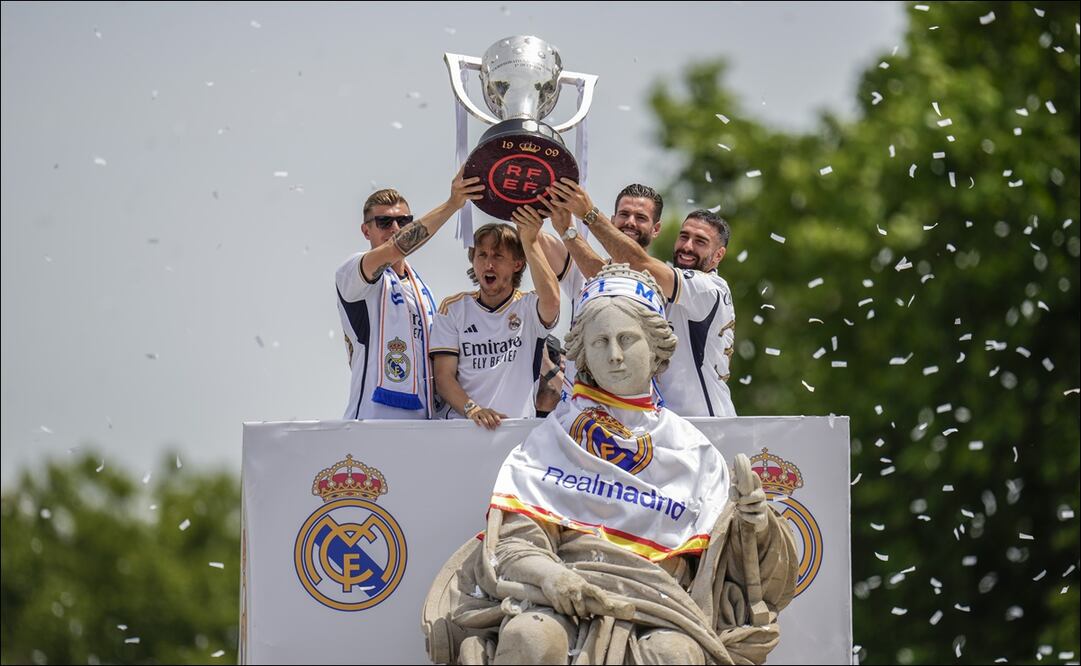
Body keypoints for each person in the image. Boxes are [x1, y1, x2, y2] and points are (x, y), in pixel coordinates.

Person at [421, 265, 797, 665]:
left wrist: (756, 525)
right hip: (561, 600)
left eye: (627, 339)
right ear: (583, 353)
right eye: (600, 342)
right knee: (530, 636)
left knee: (674, 655)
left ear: (656, 347)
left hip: (661, 608)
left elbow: (738, 570)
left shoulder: (692, 450)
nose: (614, 355)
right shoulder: (555, 438)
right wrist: (552, 576)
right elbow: (514, 544)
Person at [545, 180, 737, 417]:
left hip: (706, 423)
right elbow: (609, 276)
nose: (687, 246)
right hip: (665, 423)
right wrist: (566, 230)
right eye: (684, 236)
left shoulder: (709, 288)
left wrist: (589, 214)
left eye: (700, 242)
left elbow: (637, 263)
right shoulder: (670, 284)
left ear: (718, 255)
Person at [336, 167, 483, 420]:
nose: (396, 228)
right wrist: (452, 204)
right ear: (366, 231)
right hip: (372, 421)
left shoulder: (421, 289)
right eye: (384, 222)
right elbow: (396, 247)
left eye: (404, 221)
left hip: (423, 423)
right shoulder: (353, 272)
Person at [429, 205, 560, 429]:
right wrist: (474, 410)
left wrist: (529, 242)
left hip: (516, 431)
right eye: (482, 255)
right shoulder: (453, 308)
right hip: (463, 429)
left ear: (517, 264)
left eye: (498, 256)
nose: (488, 264)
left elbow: (552, 302)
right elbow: (443, 377)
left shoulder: (529, 306)